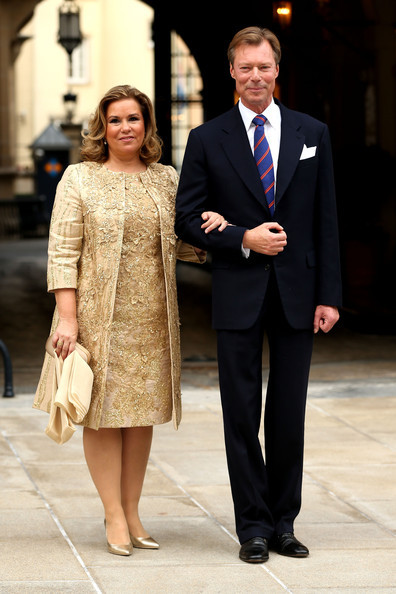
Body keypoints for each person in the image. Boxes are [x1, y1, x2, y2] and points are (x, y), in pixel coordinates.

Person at [34, 84, 226, 556]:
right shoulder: (79, 178)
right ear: (102, 127)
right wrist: (67, 319)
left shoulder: (166, 179)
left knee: (140, 416)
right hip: (98, 318)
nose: (125, 128)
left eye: (134, 119)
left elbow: (180, 242)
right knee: (101, 417)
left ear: (147, 126)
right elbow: (62, 252)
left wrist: (213, 232)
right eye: (116, 119)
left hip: (153, 319)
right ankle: (113, 514)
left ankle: (134, 509)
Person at [175, 27, 342, 563]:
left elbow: (325, 220)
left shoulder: (311, 131)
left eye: (263, 67)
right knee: (241, 412)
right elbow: (185, 218)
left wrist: (330, 295)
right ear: (232, 72)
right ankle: (252, 527)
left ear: (276, 69)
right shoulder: (207, 138)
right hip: (238, 290)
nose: (254, 76)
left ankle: (284, 522)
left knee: (288, 412)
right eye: (244, 67)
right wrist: (240, 237)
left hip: (299, 291)